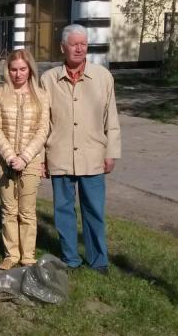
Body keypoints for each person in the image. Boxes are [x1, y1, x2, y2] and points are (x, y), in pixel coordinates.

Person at [41, 24, 121, 273]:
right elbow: (42, 123)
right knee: (63, 210)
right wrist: (42, 157)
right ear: (62, 47)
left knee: (94, 210)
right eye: (74, 44)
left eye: (83, 44)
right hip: (59, 154)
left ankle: (98, 260)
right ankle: (70, 258)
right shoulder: (48, 79)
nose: (79, 49)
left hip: (93, 155)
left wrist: (111, 152)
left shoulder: (103, 77)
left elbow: (111, 118)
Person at [0, 50, 50, 269]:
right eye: (14, 69)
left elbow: (43, 130)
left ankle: (28, 256)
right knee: (9, 210)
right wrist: (9, 156)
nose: (18, 74)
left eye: (22, 69)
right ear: (8, 70)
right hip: (4, 161)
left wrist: (24, 157)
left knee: (27, 211)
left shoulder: (41, 95)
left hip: (30, 160)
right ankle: (11, 254)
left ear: (30, 69)